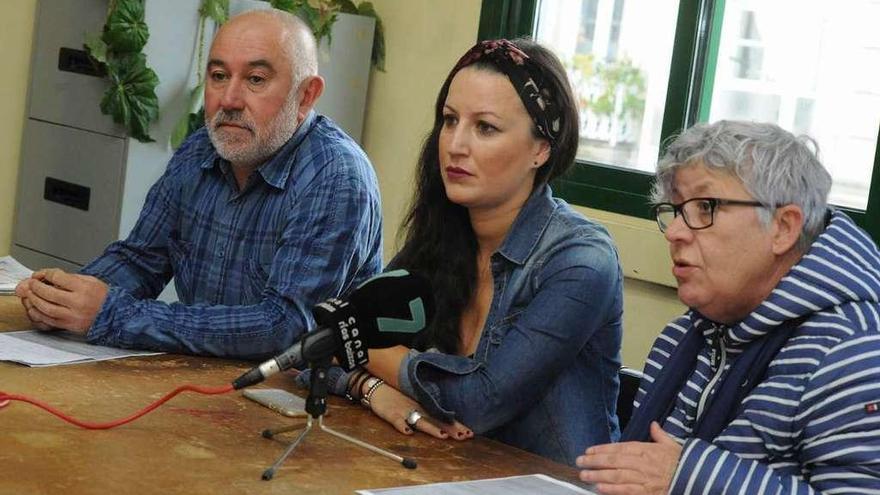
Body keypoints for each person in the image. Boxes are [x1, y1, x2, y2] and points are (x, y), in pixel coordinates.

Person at [313, 39, 623, 466]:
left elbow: (478, 402)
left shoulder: (582, 261)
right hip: (445, 473)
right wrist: (372, 389)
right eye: (449, 120)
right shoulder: (443, 235)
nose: (455, 145)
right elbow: (310, 347)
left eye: (485, 128)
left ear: (541, 148)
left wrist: (353, 341)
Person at [14, 10, 382, 360]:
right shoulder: (201, 147)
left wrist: (112, 314)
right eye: (219, 76)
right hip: (199, 380)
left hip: (295, 402)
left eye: (255, 79)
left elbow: (284, 327)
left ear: (305, 96)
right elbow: (141, 259)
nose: (229, 100)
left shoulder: (336, 176)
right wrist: (63, 298)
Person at [577, 121, 880, 493]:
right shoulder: (680, 337)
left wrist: (692, 479)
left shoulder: (854, 354)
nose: (675, 232)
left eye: (705, 207)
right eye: (675, 210)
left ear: (783, 227)